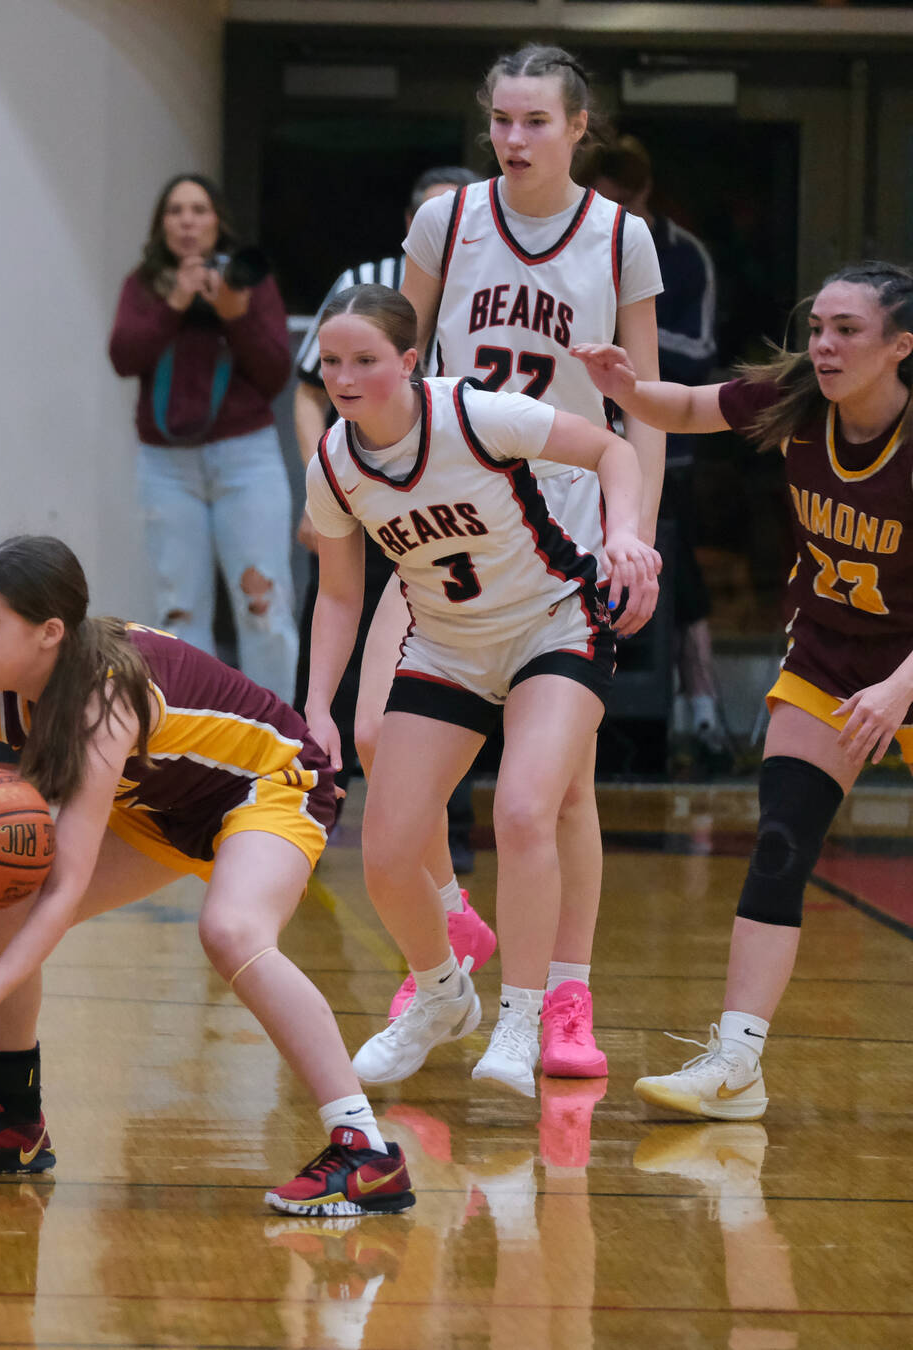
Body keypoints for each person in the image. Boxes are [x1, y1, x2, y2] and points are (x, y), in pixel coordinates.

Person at [0, 535, 416, 1217]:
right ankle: (13, 1123)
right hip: (161, 804)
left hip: (267, 783)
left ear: (49, 633)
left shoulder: (103, 698)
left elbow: (68, 886)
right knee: (0, 901)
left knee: (232, 930)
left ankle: (365, 1150)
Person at [362, 43, 667, 1083]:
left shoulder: (618, 239)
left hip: (567, 526)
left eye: (535, 121)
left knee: (552, 794)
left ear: (578, 127)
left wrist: (637, 534)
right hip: (450, 517)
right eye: (499, 119)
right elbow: (398, 356)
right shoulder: (445, 220)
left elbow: (644, 408)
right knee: (376, 741)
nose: (513, 138)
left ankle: (560, 993)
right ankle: (446, 942)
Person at [570, 261, 913, 1121]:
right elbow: (689, 408)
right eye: (819, 325)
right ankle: (736, 1063)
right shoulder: (800, 397)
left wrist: (902, 687)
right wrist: (628, 388)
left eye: (847, 331)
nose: (824, 345)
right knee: (779, 845)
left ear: (901, 346)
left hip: (906, 668)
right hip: (833, 663)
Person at [301, 285, 659, 1099]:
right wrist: (319, 703)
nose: (346, 378)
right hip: (448, 645)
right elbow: (338, 595)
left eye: (365, 361)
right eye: (331, 363)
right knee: (388, 851)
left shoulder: (472, 415)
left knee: (526, 808)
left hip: (552, 625)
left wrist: (627, 533)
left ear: (408, 362)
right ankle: (439, 996)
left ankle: (522, 1017)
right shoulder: (334, 462)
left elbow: (615, 450)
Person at [290, 164, 483, 868]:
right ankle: (307, 810)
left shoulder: (488, 297)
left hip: (451, 524)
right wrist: (328, 482)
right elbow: (309, 387)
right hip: (366, 498)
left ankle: (449, 837)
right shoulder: (363, 285)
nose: (440, 231)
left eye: (453, 220)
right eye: (428, 218)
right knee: (334, 641)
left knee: (439, 675)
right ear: (409, 225)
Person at [108, 173, 296, 700]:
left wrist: (234, 316)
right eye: (175, 211)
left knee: (264, 604)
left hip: (246, 459)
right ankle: (195, 748)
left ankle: (277, 743)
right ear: (161, 225)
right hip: (166, 466)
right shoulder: (145, 284)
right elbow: (124, 357)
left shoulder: (246, 282)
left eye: (199, 210)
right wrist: (174, 303)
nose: (187, 221)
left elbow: (276, 372)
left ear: (218, 222)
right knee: (178, 609)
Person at [587, 135, 732, 770]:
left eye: (620, 200)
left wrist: (626, 346)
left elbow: (698, 353)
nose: (608, 210)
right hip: (584, 443)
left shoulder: (685, 255)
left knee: (674, 573)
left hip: (663, 445)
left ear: (644, 196)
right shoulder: (582, 239)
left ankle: (701, 710)